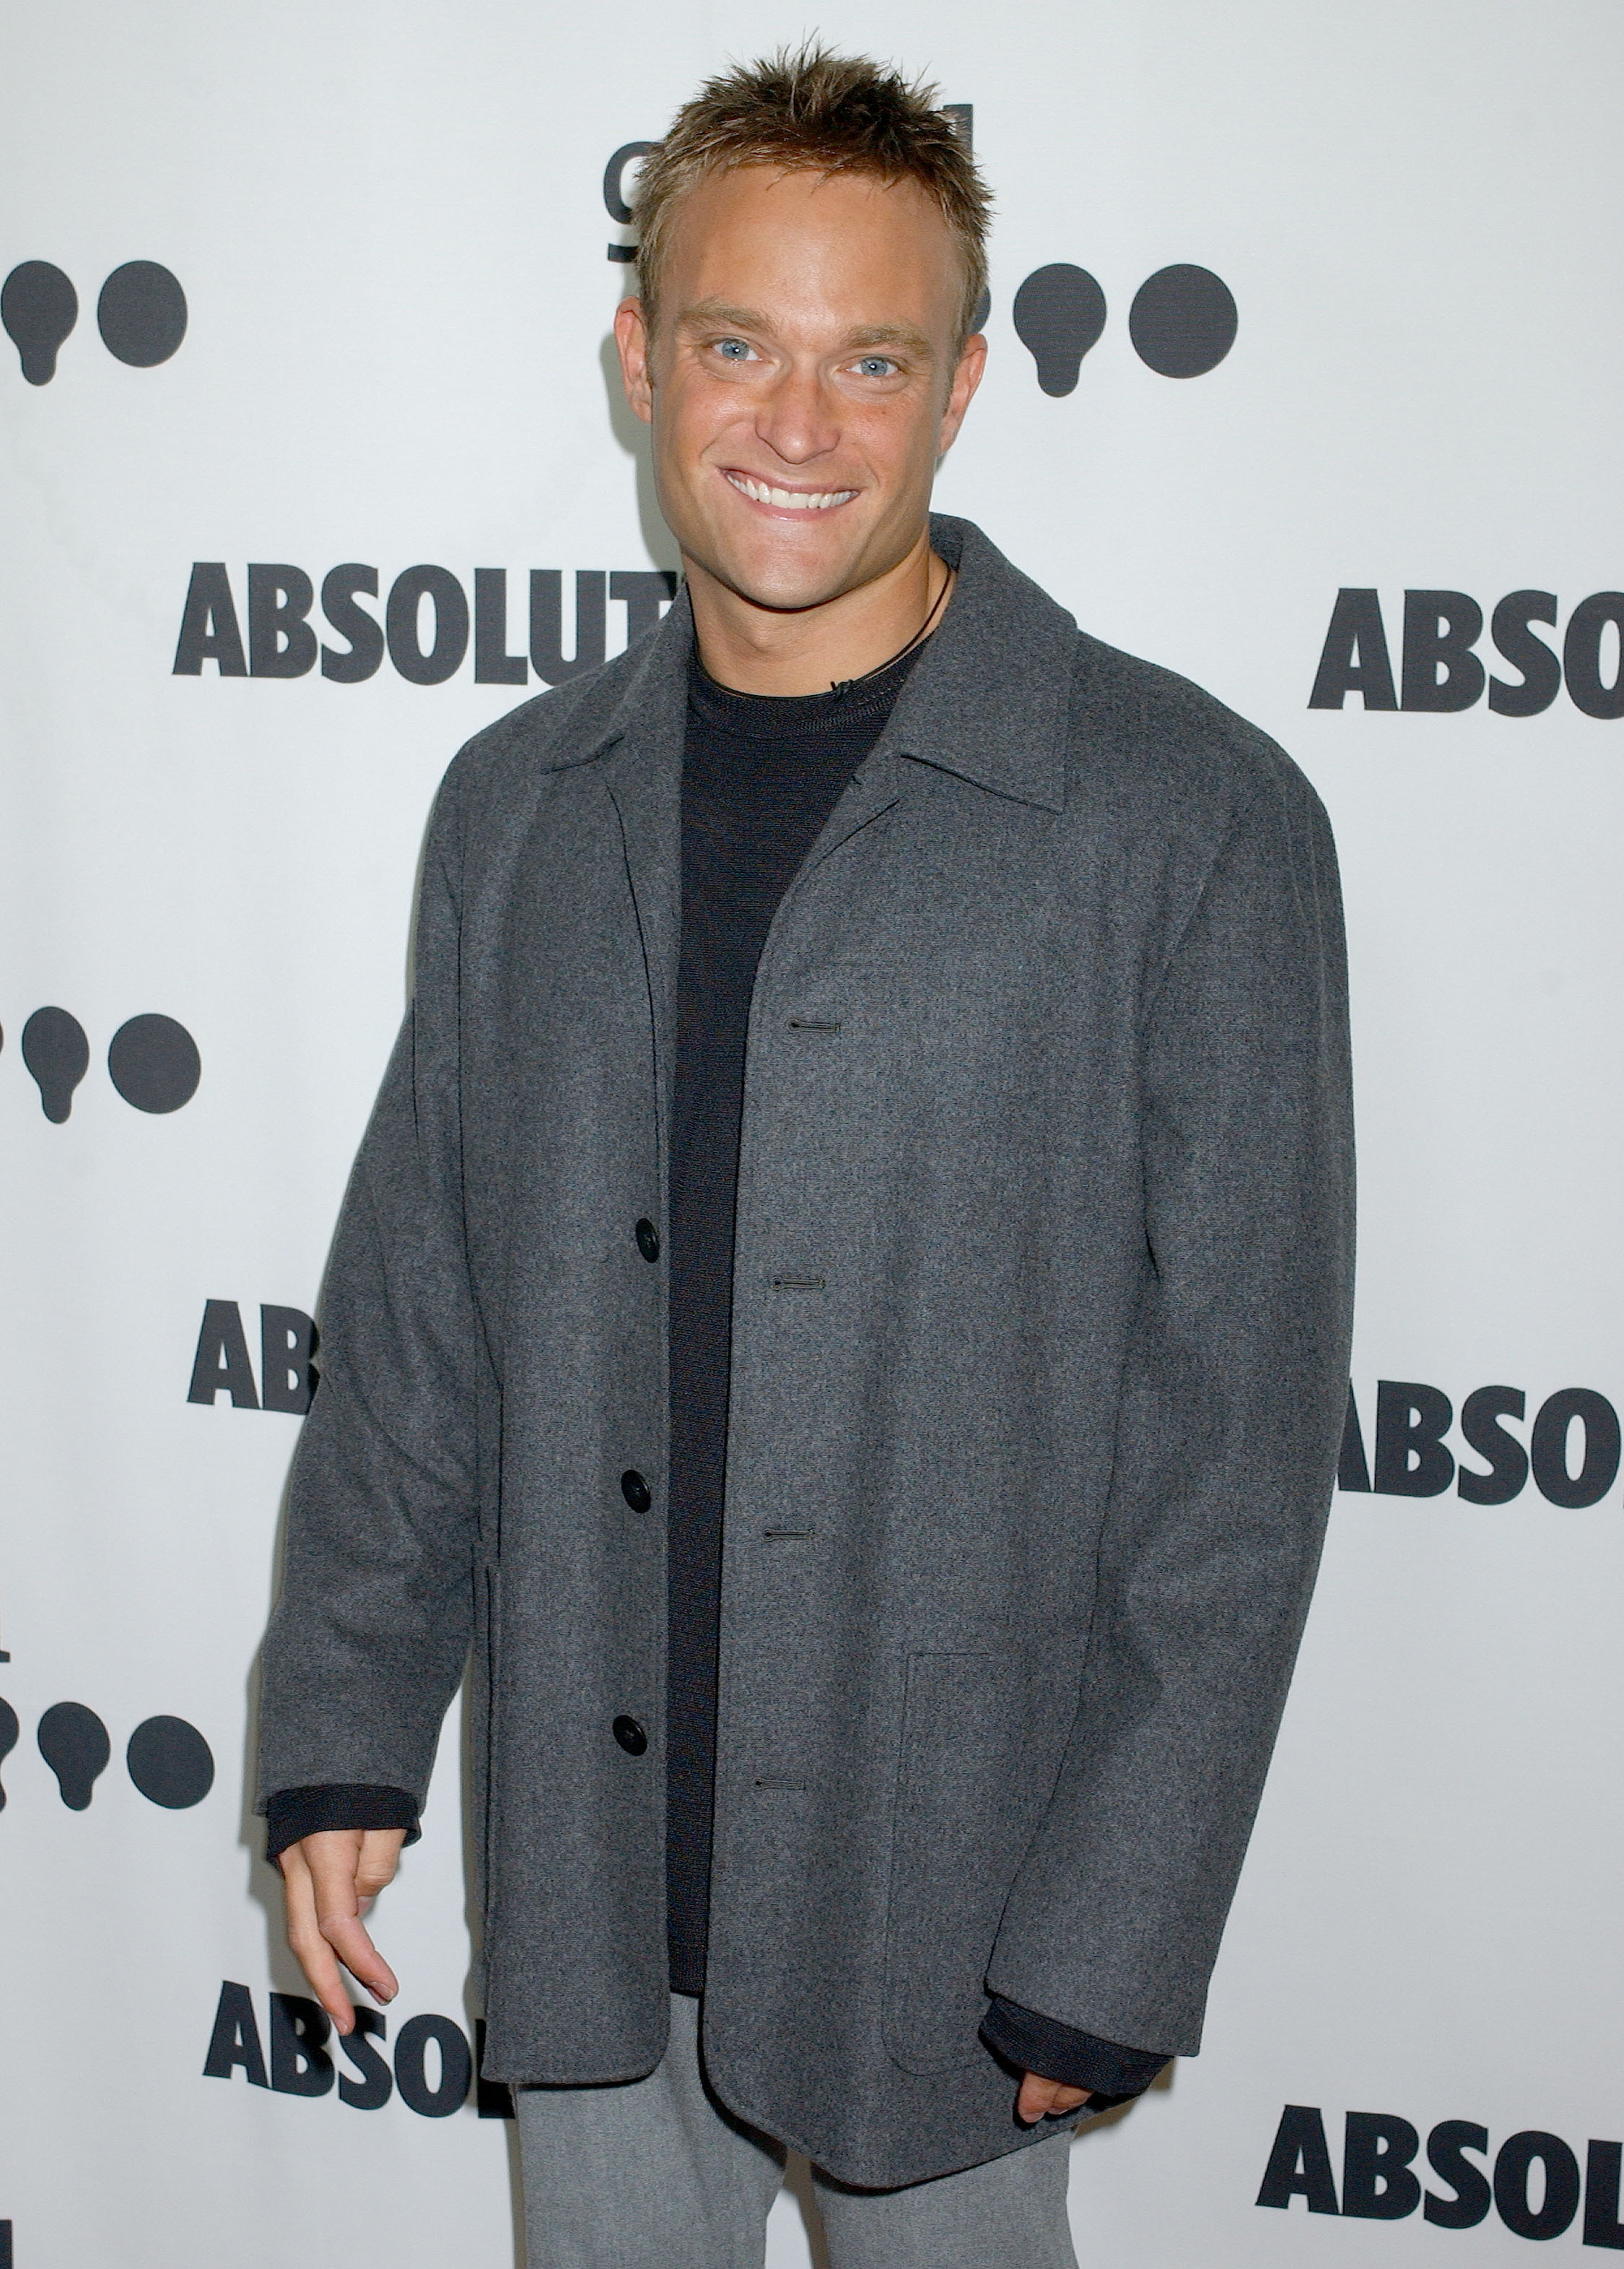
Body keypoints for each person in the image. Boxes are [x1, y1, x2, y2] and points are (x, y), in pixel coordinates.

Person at [258, 43, 1354, 2269]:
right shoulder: (515, 804)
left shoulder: (1187, 818)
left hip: (949, 1904)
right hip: (585, 1862)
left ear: (960, 388)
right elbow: (418, 1312)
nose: (794, 421)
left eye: (872, 356)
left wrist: (1116, 1921)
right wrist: (349, 1726)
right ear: (640, 361)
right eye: (739, 343)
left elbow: (1230, 1442)